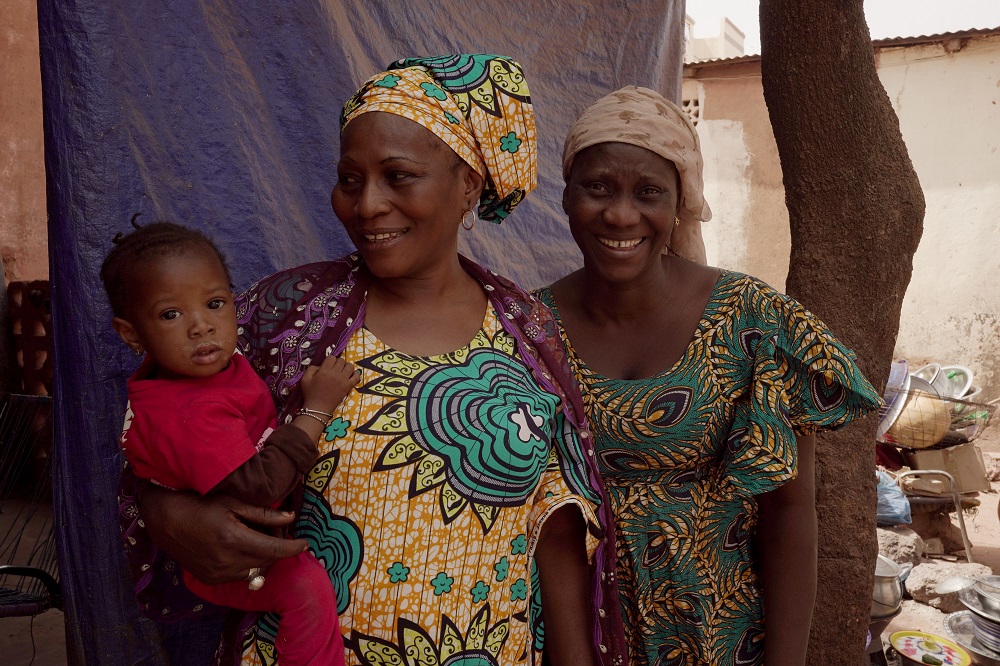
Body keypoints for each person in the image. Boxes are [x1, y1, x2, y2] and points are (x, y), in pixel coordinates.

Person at [117, 55, 627, 666]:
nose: (367, 206)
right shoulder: (283, 315)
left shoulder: (526, 335)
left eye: (398, 176)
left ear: (469, 182)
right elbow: (156, 428)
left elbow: (562, 540)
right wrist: (170, 514)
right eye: (350, 179)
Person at [535, 86, 883, 666]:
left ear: (681, 203)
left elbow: (791, 509)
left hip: (722, 634)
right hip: (578, 634)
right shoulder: (527, 329)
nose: (621, 214)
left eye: (649, 192)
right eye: (598, 187)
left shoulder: (750, 319)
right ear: (566, 195)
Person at [103, 222, 353, 665]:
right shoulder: (187, 414)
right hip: (234, 557)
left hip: (251, 527)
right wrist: (317, 409)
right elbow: (261, 486)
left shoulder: (213, 365)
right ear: (131, 334)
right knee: (306, 588)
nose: (201, 327)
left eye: (215, 304)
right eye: (170, 315)